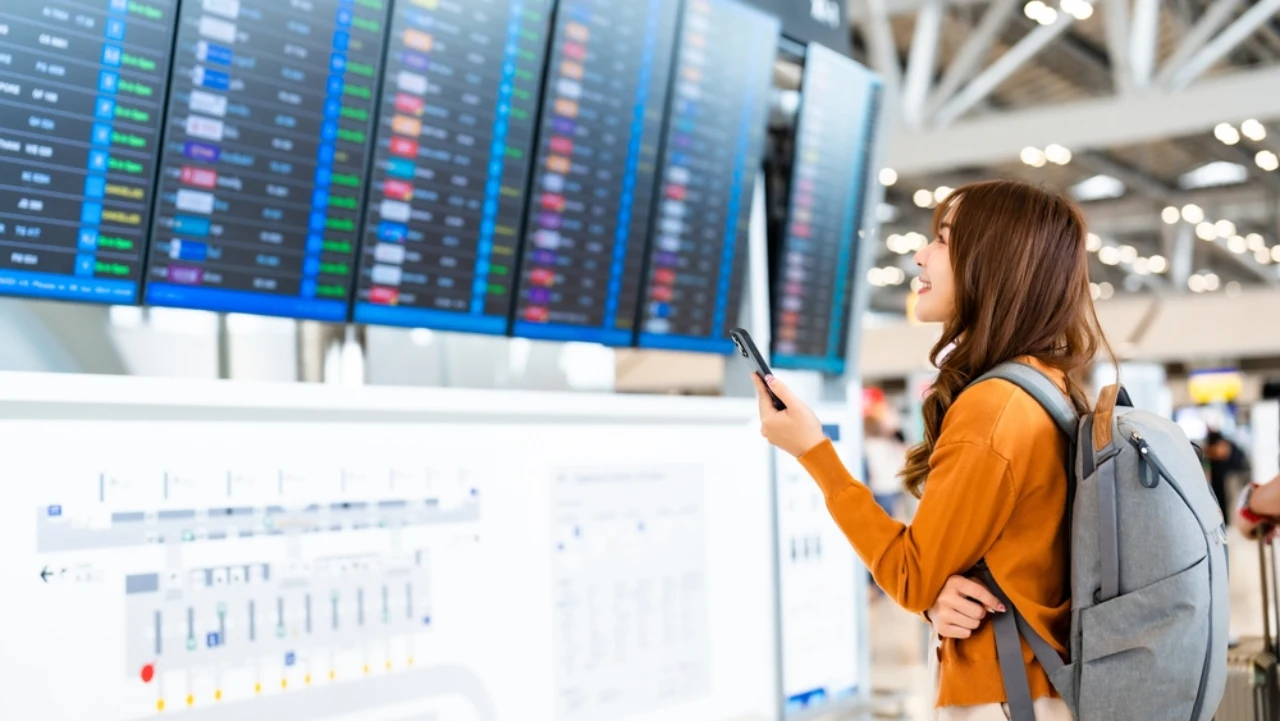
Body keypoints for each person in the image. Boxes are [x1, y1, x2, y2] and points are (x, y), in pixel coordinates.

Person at [752, 180, 1112, 720]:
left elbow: (910, 575)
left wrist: (814, 453)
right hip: (1039, 685)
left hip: (1004, 695)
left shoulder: (993, 407)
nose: (921, 255)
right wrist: (941, 596)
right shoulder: (1045, 386)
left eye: (942, 240)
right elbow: (995, 562)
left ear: (995, 263)